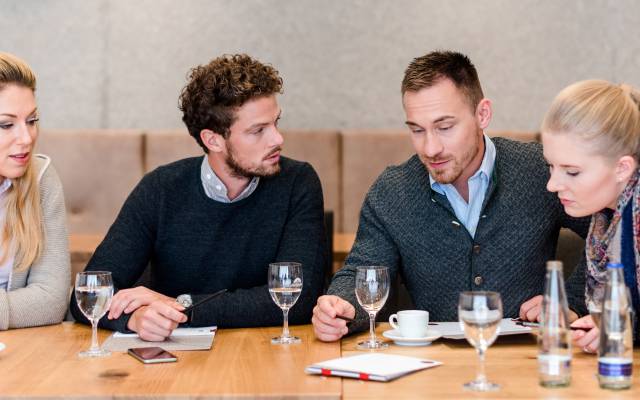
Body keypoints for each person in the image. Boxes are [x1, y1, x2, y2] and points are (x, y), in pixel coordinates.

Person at [312, 50, 590, 341]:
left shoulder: (539, 170)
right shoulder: (391, 191)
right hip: (431, 366)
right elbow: (362, 271)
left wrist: (570, 300)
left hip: (530, 359)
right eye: (417, 130)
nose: (430, 148)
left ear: (482, 114)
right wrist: (340, 307)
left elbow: (614, 234)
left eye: (445, 127)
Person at [70, 54, 326, 341]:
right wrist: (136, 318)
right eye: (258, 131)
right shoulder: (161, 188)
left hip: (265, 354)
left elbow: (300, 299)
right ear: (213, 139)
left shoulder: (298, 182)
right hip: (173, 365)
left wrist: (183, 306)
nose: (277, 139)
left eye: (276, 123)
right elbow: (89, 295)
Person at [542, 80, 640, 352]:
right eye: (551, 166)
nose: (552, 185)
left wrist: (624, 326)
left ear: (622, 168)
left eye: (572, 172)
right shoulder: (605, 220)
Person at [0, 52, 70, 330]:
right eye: (6, 125)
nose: (27, 138)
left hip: (22, 354)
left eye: (32, 120)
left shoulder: (41, 180)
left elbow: (52, 300)